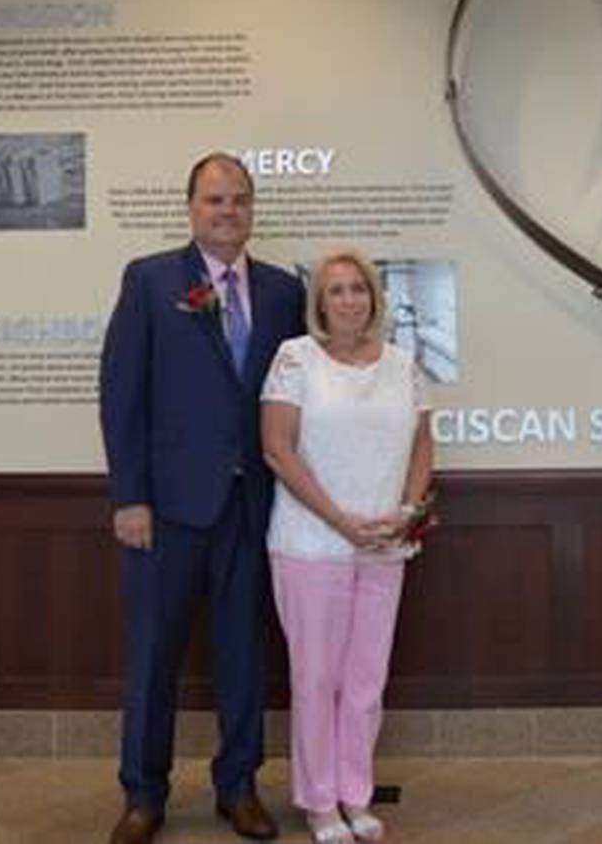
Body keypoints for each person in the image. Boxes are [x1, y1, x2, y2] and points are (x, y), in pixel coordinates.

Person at [100, 152, 306, 844]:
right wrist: (130, 496)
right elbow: (121, 394)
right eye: (216, 200)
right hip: (167, 512)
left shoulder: (281, 292)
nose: (229, 212)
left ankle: (239, 787)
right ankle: (143, 795)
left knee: (244, 656)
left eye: (240, 200)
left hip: (254, 508)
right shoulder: (151, 280)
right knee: (153, 658)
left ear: (253, 209)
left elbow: (294, 399)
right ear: (191, 207)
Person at [260, 248, 434, 844]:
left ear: (374, 298)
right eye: (335, 290)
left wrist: (407, 511)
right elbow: (277, 449)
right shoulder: (294, 360)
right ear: (319, 303)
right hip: (310, 544)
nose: (349, 300)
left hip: (384, 545)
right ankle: (318, 801)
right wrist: (339, 520)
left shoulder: (404, 365)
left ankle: (355, 794)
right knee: (317, 678)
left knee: (366, 680)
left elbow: (421, 447)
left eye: (358, 288)